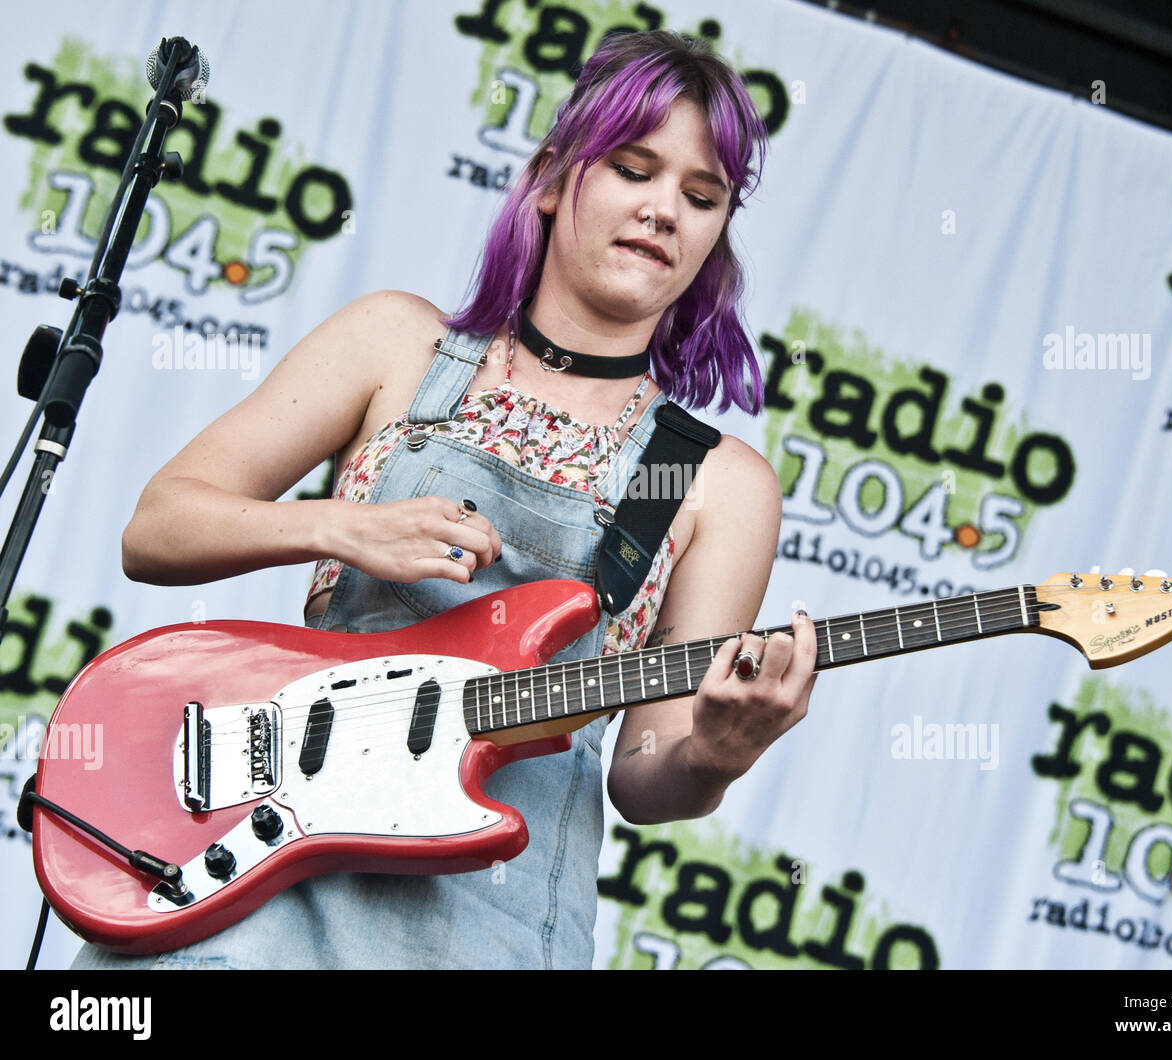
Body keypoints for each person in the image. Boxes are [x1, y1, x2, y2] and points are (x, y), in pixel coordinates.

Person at [70, 29, 818, 970]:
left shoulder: (708, 478)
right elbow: (159, 526)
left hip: (485, 927)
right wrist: (345, 526)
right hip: (253, 877)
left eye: (702, 196)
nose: (665, 210)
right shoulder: (398, 346)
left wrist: (715, 754)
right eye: (634, 169)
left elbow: (644, 774)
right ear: (551, 177)